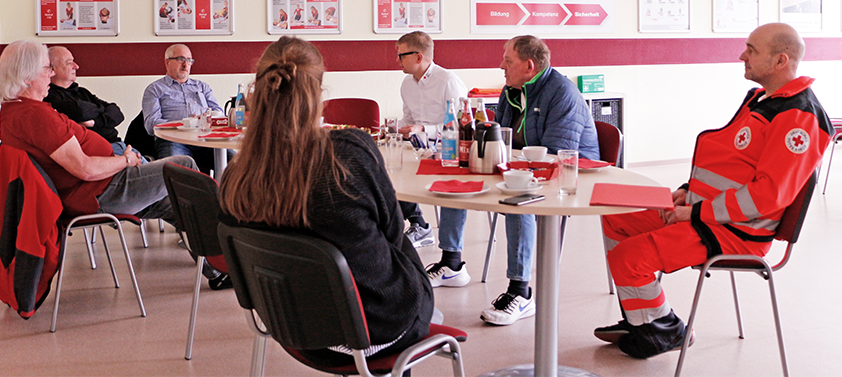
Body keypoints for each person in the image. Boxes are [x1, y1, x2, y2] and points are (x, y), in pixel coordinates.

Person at [595, 23, 834, 359]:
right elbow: (731, 163)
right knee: (617, 217)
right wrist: (688, 190)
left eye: (751, 50)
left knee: (628, 258)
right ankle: (642, 319)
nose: (742, 56)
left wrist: (695, 211)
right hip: (710, 213)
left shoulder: (799, 117)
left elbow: (768, 196)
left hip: (738, 231)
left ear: (781, 61)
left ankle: (664, 329)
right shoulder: (762, 99)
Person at [219, 36, 433, 366]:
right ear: (319, 94)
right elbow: (392, 233)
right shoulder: (350, 151)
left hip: (293, 326)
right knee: (401, 241)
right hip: (378, 328)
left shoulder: (237, 175)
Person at [426, 35, 599, 327]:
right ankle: (451, 262)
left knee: (518, 198)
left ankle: (521, 292)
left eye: (507, 61)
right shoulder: (511, 88)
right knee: (458, 178)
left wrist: (509, 162)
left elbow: (556, 156)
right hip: (519, 166)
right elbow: (500, 133)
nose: (501, 67)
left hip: (568, 176)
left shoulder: (563, 93)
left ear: (529, 66)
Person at [0, 40, 193, 225]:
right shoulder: (34, 115)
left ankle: (211, 258)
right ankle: (219, 245)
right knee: (184, 165)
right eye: (47, 68)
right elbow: (85, 168)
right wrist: (126, 160)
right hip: (99, 193)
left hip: (100, 185)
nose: (50, 74)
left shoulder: (18, 109)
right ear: (28, 77)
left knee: (183, 206)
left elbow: (113, 111)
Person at [395, 32, 468, 249]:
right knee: (386, 168)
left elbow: (460, 128)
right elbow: (407, 119)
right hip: (416, 147)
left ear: (418, 57)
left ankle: (423, 228)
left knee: (401, 169)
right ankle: (418, 224)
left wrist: (423, 129)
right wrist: (395, 129)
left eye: (401, 56)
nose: (397, 61)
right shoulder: (407, 84)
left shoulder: (449, 82)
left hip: (445, 149)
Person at [142, 44, 225, 174]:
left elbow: (220, 115)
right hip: (173, 141)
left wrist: (208, 119)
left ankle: (227, 194)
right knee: (177, 170)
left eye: (189, 60)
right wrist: (185, 124)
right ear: (167, 62)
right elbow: (150, 124)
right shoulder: (155, 89)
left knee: (237, 162)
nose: (186, 65)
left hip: (205, 140)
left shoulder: (202, 87)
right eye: (181, 59)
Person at [44, 46, 139, 160]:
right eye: (69, 63)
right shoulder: (49, 95)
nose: (76, 66)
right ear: (52, 69)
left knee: (159, 169)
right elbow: (80, 111)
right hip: (102, 153)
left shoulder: (81, 91)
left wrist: (95, 122)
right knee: (158, 173)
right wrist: (102, 109)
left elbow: (117, 113)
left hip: (121, 145)